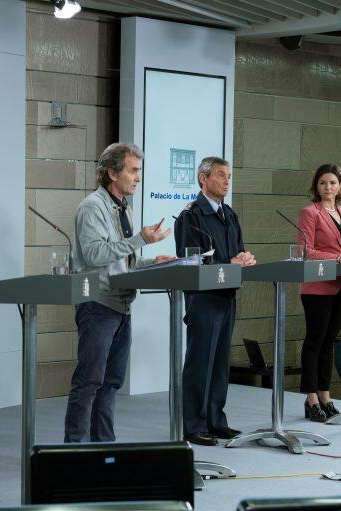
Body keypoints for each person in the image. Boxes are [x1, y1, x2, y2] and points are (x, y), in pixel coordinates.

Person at [65, 142, 174, 443]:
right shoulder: (92, 207)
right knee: (89, 381)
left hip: (121, 305)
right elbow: (95, 254)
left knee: (110, 382)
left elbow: (121, 260)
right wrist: (139, 240)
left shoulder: (122, 207)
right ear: (113, 173)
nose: (138, 177)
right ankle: (72, 451)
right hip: (98, 304)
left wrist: (153, 261)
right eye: (133, 170)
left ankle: (103, 448)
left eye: (139, 171)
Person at [174, 156, 256, 446]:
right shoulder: (190, 216)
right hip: (203, 299)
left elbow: (238, 251)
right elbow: (191, 260)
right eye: (221, 175)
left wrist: (245, 258)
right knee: (199, 363)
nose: (226, 181)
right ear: (203, 179)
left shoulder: (229, 214)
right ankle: (194, 425)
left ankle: (215, 420)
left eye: (228, 176)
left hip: (226, 295)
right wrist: (230, 261)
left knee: (220, 362)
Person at [297, 163, 341, 422]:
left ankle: (325, 394)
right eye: (323, 183)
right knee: (314, 342)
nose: (328, 187)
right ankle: (311, 399)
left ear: (340, 186)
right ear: (316, 186)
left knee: (328, 343)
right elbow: (306, 250)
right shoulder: (309, 212)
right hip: (317, 287)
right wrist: (338, 257)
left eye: (333, 183)